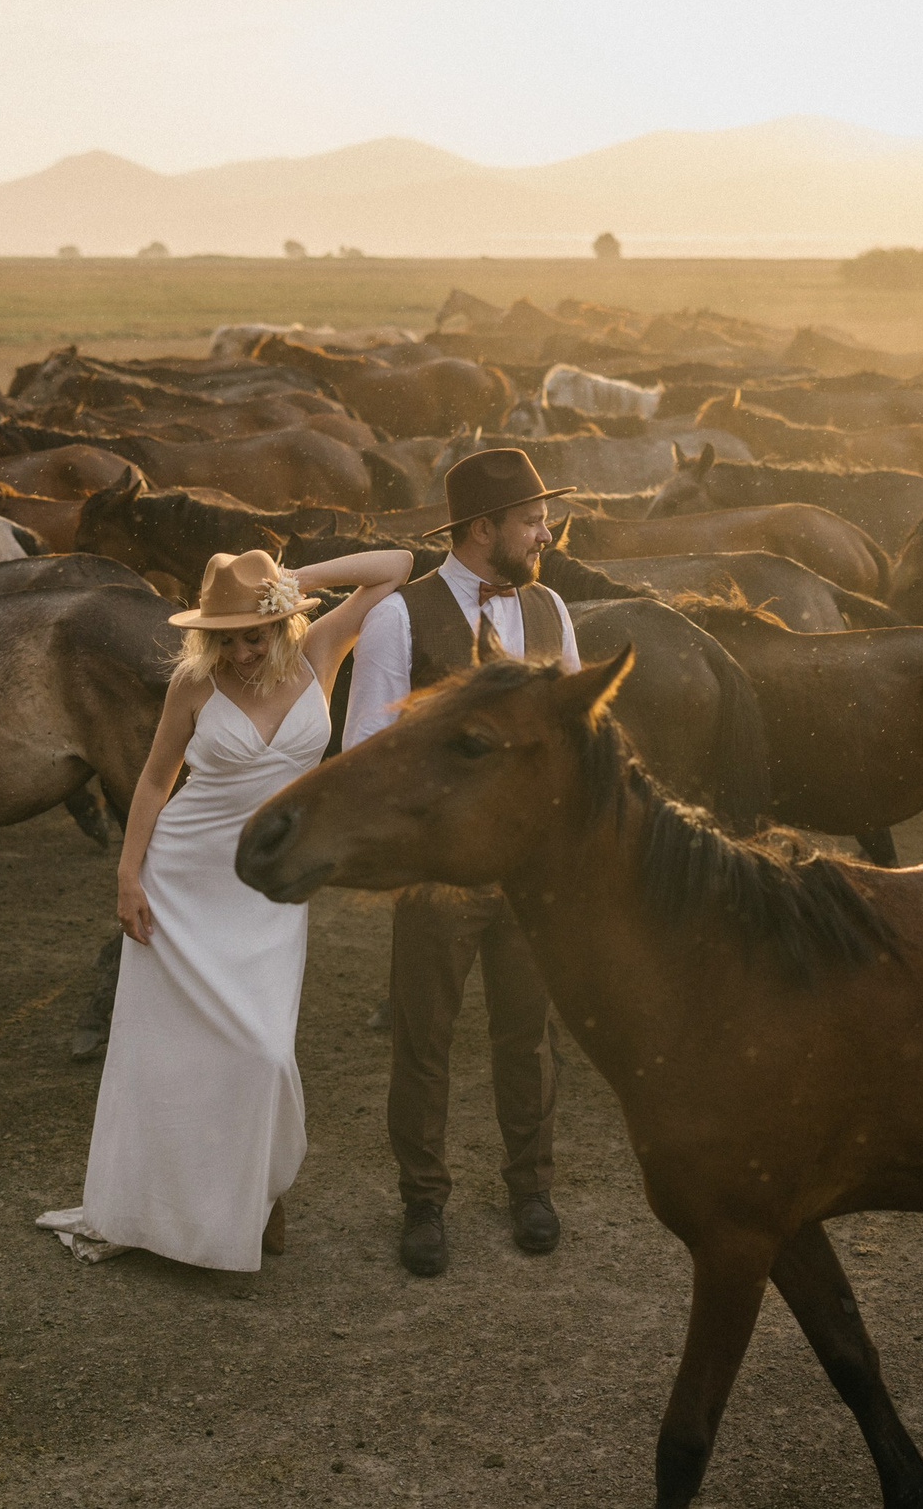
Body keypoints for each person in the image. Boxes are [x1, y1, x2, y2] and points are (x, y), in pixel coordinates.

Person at [38, 543, 411, 1272]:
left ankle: (259, 1189)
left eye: (257, 632)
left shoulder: (323, 649)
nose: (243, 651)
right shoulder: (193, 684)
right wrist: (127, 873)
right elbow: (152, 782)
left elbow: (396, 565)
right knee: (178, 1058)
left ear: (282, 623)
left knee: (264, 1055)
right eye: (229, 636)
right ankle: (205, 1210)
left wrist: (294, 583)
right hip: (185, 877)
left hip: (269, 889)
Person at [344, 448, 579, 1277]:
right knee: (424, 1040)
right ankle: (424, 1200)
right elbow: (365, 753)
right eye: (530, 520)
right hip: (440, 878)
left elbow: (573, 745)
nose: (543, 532)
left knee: (529, 1035)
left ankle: (531, 1188)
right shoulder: (399, 619)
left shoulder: (551, 608)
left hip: (527, 878)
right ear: (484, 529)